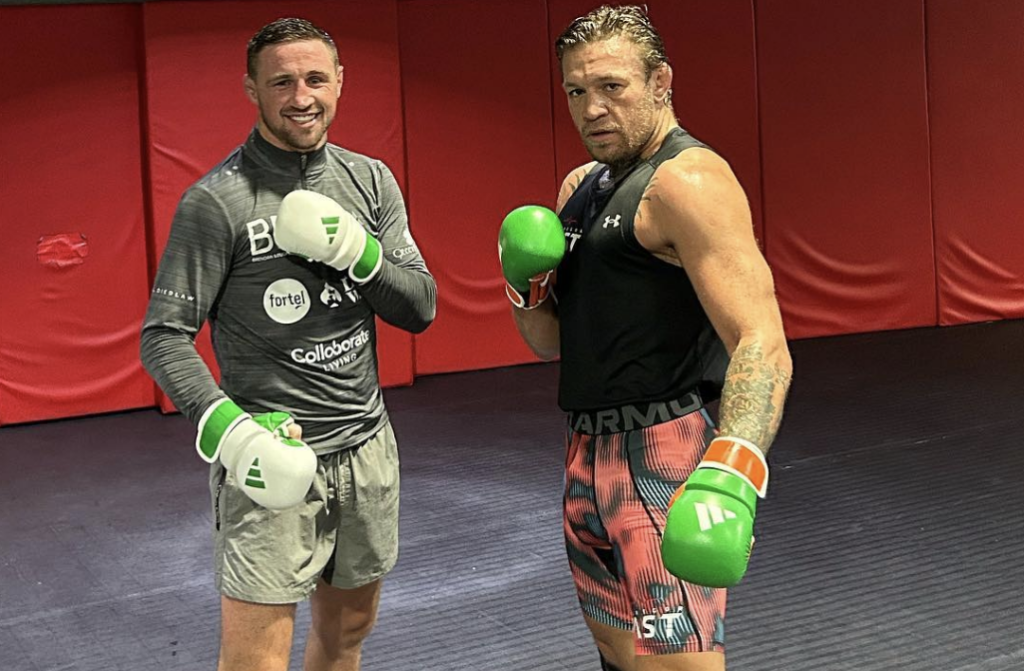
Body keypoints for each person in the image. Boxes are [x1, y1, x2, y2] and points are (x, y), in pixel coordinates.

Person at [498, 6, 792, 670]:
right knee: (618, 653)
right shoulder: (580, 188)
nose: (592, 109)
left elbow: (760, 339)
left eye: (612, 86)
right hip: (585, 450)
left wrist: (733, 468)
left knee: (677, 661)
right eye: (577, 90)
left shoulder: (687, 181)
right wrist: (524, 284)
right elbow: (550, 343)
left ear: (660, 82)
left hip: (663, 452)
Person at [140, 17, 435, 671]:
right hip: (272, 453)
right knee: (255, 661)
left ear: (340, 83)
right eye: (281, 82)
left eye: (315, 79)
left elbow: (419, 307)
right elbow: (163, 337)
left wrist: (358, 252)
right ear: (252, 89)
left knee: (346, 637)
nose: (301, 97)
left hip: (365, 450)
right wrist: (233, 433)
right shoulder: (215, 202)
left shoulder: (371, 181)